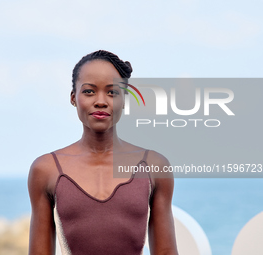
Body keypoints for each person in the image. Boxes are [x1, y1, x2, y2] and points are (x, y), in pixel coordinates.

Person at [28, 50, 178, 255]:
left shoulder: (154, 166)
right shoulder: (46, 169)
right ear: (73, 98)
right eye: (89, 91)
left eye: (112, 92)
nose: (101, 101)